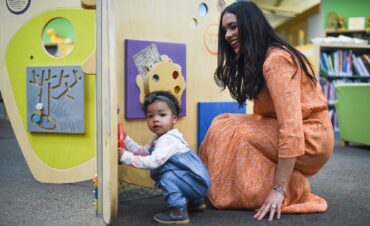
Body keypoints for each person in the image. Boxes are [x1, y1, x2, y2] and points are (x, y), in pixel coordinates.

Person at [199, 1, 334, 222]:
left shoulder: (276, 61)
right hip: (302, 133)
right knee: (223, 124)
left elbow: (291, 127)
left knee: (227, 130)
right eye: (225, 30)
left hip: (310, 138)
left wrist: (278, 189)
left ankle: (292, 188)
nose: (227, 35)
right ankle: (213, 186)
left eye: (233, 27)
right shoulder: (262, 59)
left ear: (250, 24)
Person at [119, 91, 210, 224]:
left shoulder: (168, 140)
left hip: (197, 184)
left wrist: (126, 157)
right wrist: (126, 140)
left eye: (162, 115)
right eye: (150, 116)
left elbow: (152, 161)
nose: (155, 119)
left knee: (167, 177)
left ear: (173, 118)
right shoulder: (160, 139)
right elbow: (143, 152)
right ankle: (196, 202)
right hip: (197, 183)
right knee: (174, 174)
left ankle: (178, 212)